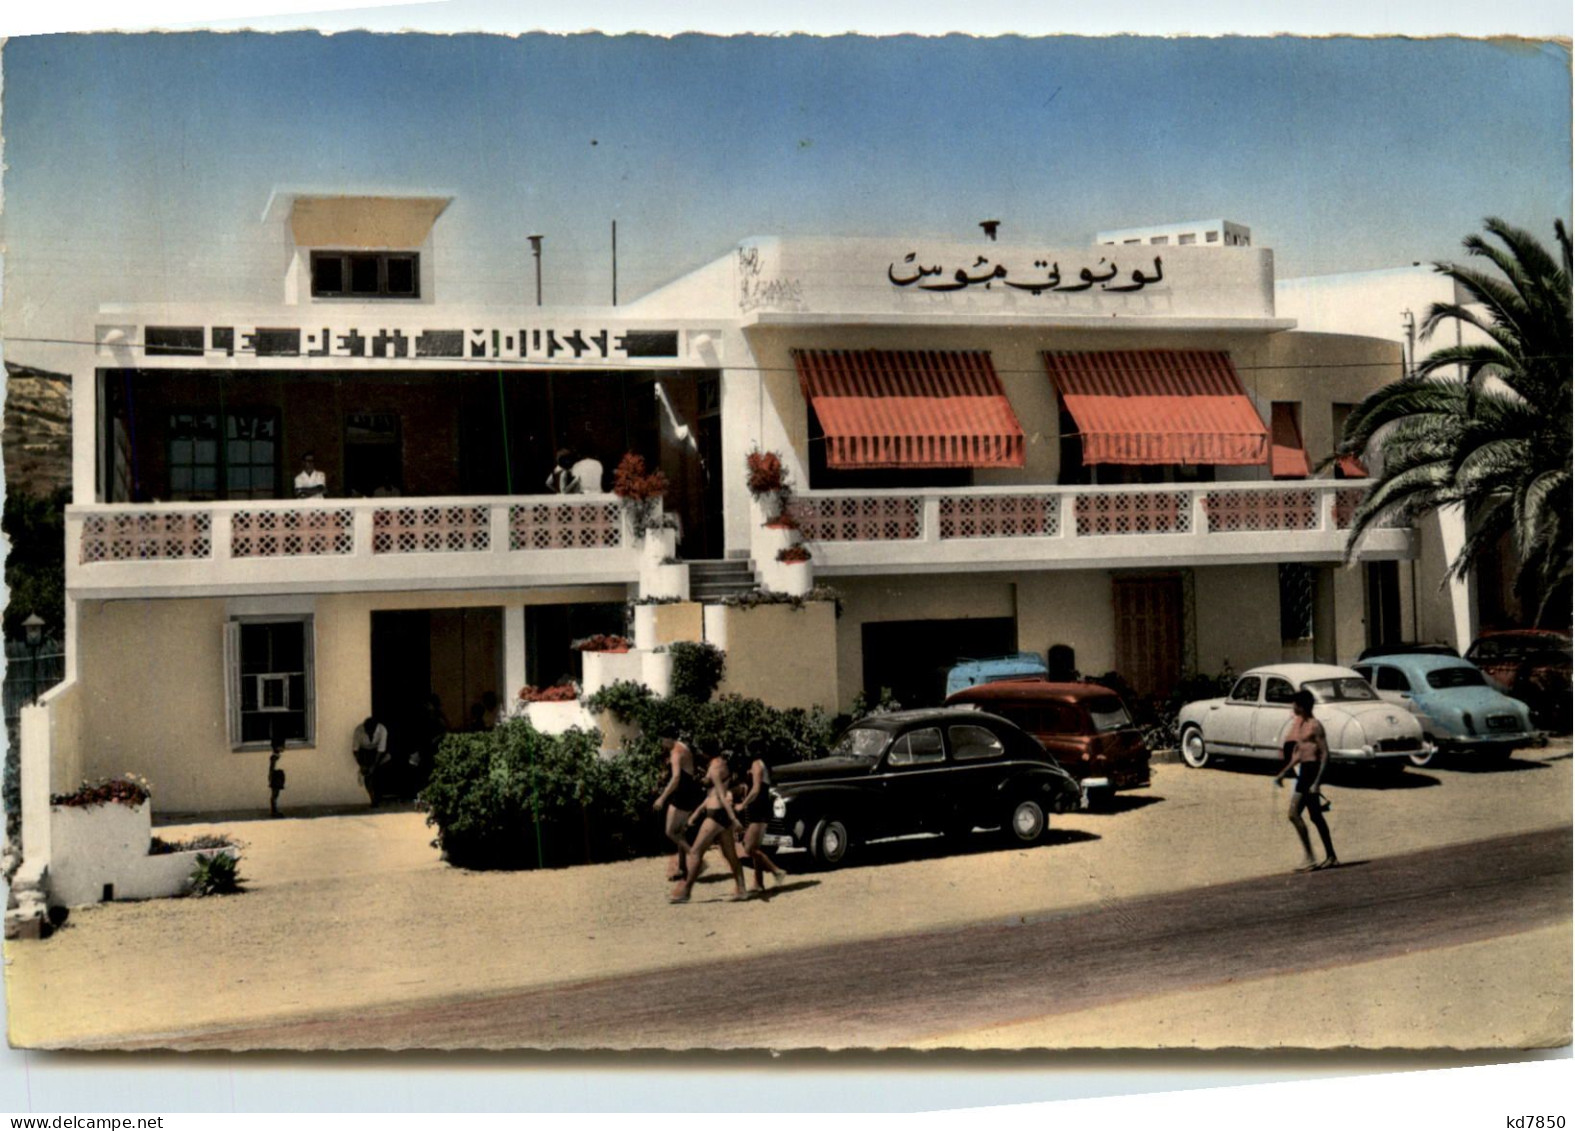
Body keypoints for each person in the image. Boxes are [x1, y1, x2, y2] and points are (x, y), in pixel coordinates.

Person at [670, 742, 748, 904]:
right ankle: (741, 888)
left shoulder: (714, 767)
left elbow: (719, 794)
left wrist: (733, 818)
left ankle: (686, 890)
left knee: (696, 852)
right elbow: (712, 794)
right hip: (720, 815)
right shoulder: (722, 764)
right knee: (730, 855)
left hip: (716, 815)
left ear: (706, 753)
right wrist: (698, 813)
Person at [1273, 689, 1339, 872]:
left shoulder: (1315, 725)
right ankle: (1331, 856)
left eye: (1295, 704)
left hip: (1312, 772)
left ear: (1302, 706)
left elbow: (1325, 754)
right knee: (1316, 816)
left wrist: (1317, 782)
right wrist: (1283, 773)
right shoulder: (1300, 724)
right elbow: (1300, 754)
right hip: (1304, 771)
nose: (1292, 707)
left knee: (1293, 814)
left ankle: (1310, 857)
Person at [651, 727, 705, 882]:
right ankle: (683, 868)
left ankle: (697, 860)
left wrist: (662, 798)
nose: (661, 743)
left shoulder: (675, 752)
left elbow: (676, 778)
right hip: (690, 792)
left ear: (668, 738)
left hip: (682, 794)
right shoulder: (683, 746)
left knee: (670, 832)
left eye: (662, 740)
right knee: (679, 832)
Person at [735, 741, 787, 893]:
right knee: (756, 848)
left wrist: (742, 805)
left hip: (759, 808)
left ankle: (776, 871)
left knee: (749, 847)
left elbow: (756, 789)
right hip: (760, 808)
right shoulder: (761, 764)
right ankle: (758, 882)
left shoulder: (757, 764)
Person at [352, 714, 389, 804]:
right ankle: (372, 798)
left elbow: (381, 750)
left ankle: (379, 795)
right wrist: (361, 765)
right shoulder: (358, 731)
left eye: (372, 732)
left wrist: (374, 765)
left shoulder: (382, 730)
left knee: (378, 772)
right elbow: (355, 750)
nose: (370, 734)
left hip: (378, 752)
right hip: (364, 751)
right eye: (368, 732)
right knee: (367, 775)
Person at [267, 731, 286, 819]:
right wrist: (270, 777)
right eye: (282, 746)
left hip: (278, 775)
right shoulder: (274, 757)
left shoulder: (278, 756)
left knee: (276, 794)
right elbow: (271, 768)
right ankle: (273, 811)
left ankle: (274, 810)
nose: (284, 748)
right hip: (276, 776)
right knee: (275, 794)